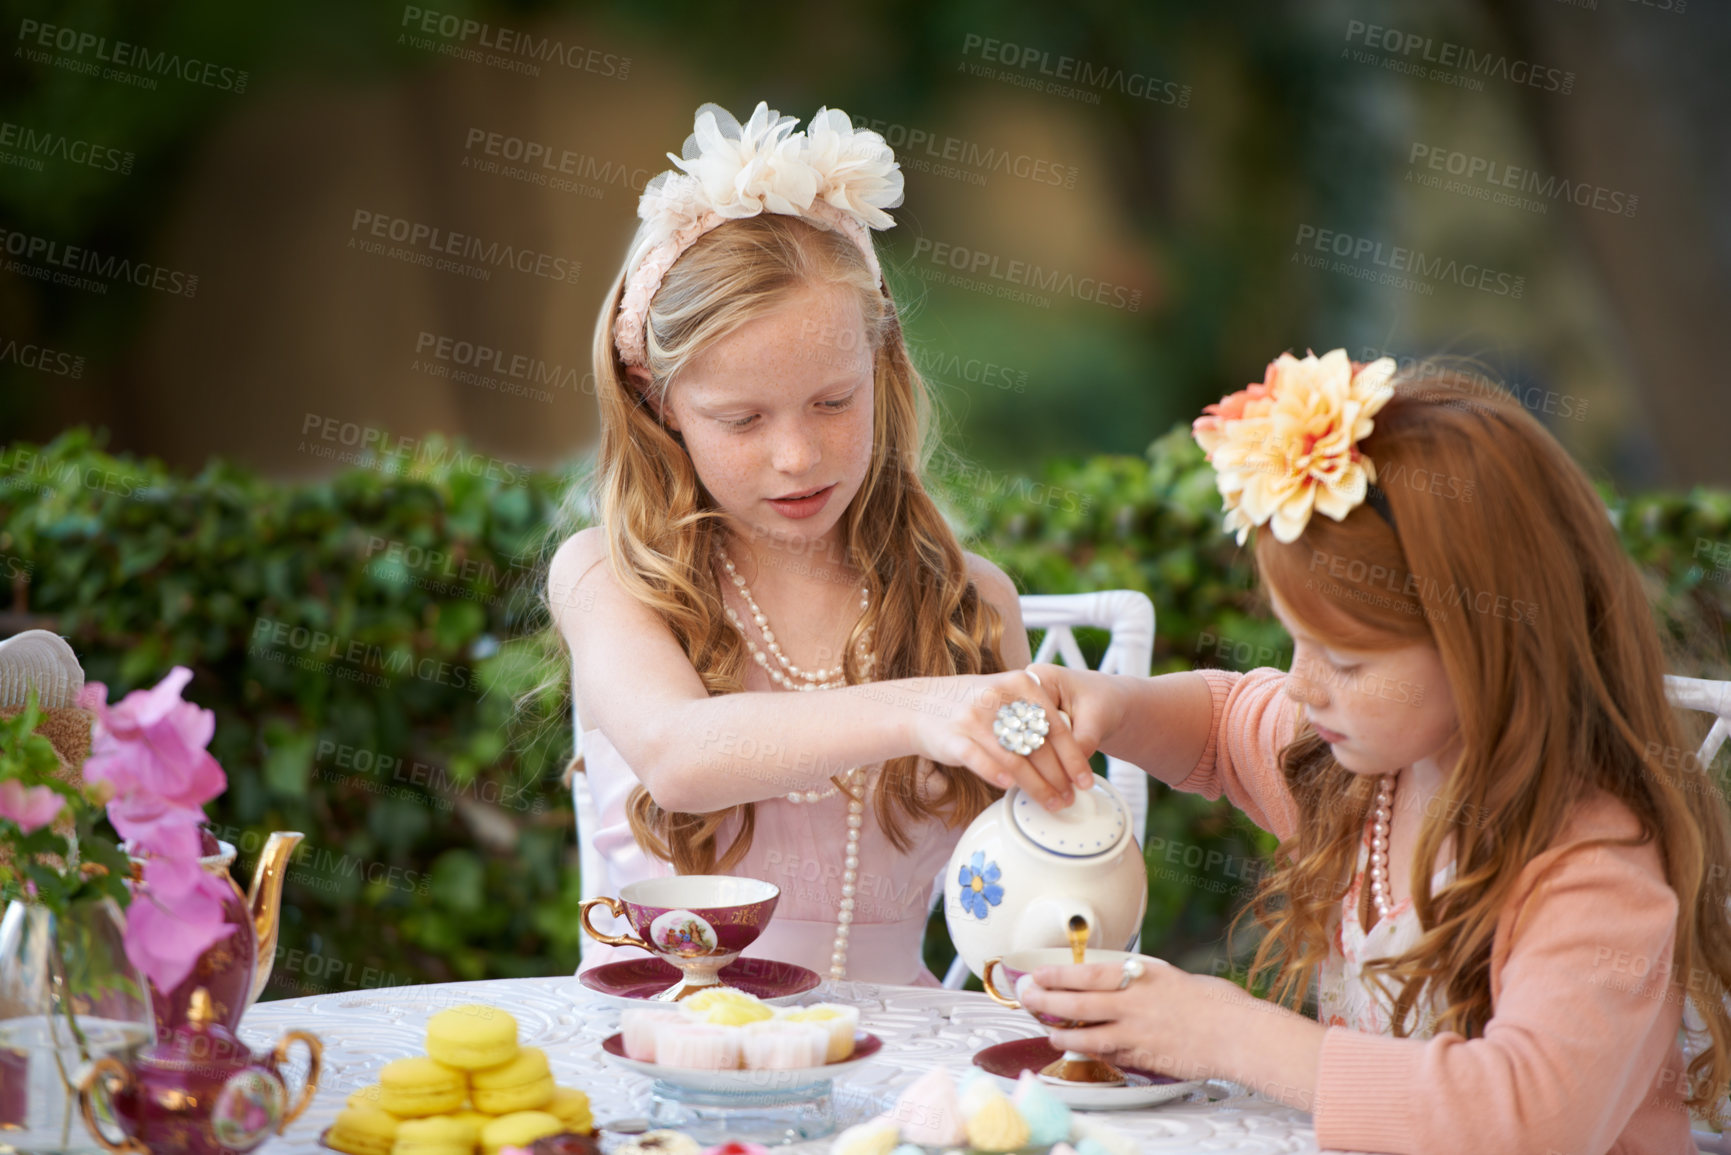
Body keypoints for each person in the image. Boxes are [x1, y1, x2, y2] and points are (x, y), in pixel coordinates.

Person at [1001, 350, 1731, 1154]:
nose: (1301, 685)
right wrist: (1112, 706)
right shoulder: (1357, 774)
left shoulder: (1591, 863)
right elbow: (1218, 723)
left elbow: (1526, 1116)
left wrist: (1232, 1035)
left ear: (1486, 645)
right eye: (1295, 641)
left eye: (1345, 660)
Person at [546, 102, 1093, 987]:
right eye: (741, 419)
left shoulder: (969, 604)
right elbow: (681, 756)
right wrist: (923, 709)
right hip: (660, 1054)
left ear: (882, 369)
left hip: (894, 1068)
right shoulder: (611, 578)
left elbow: (1029, 873)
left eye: (833, 402)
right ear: (658, 403)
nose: (796, 455)